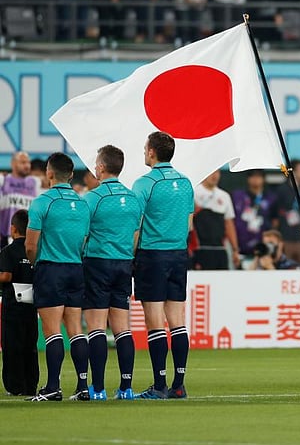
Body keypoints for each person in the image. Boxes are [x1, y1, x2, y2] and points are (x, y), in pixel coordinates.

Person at [132, 132, 194, 400]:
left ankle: (159, 385)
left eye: (145, 148)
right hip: (178, 254)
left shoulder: (144, 184)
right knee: (178, 321)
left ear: (152, 152)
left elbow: (135, 226)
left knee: (155, 322)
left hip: (152, 255)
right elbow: (190, 224)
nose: (144, 152)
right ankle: (178, 384)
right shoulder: (186, 182)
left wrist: (130, 255)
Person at [24, 152, 90, 401]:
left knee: (52, 331)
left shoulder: (42, 202)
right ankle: (83, 386)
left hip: (51, 268)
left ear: (49, 173)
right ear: (71, 175)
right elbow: (84, 238)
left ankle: (53, 387)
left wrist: (35, 264)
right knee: (75, 329)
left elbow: (30, 246)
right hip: (75, 268)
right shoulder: (82, 203)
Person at [82, 145, 142, 401]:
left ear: (103, 167)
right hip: (123, 263)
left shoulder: (92, 198)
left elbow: (82, 235)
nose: (94, 167)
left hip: (97, 262)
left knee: (96, 326)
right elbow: (135, 236)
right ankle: (126, 388)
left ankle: (97, 389)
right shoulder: (132, 199)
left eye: (96, 163)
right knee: (122, 328)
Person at [0, 209, 38, 397]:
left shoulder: (8, 251)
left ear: (13, 228)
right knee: (30, 345)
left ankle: (15, 386)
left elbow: (6, 276)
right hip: (32, 306)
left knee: (12, 346)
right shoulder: (35, 249)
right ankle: (31, 384)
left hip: (12, 306)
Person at [191, 170, 240, 270]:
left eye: (217, 172)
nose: (215, 175)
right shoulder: (194, 192)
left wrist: (235, 249)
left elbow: (229, 224)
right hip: (200, 249)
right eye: (212, 172)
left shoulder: (224, 196)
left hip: (220, 249)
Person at [272, 159, 300, 267]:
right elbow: (276, 214)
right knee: (286, 267)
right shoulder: (281, 190)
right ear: (294, 172)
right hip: (285, 237)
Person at [231, 169, 276, 259]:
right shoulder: (237, 196)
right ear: (248, 178)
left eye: (258, 176)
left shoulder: (271, 198)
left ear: (263, 179)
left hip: (263, 247)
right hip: (241, 245)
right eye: (252, 176)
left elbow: (275, 221)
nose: (255, 179)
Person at [0, 151, 42, 248]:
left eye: (28, 162)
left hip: (29, 238)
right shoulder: (4, 180)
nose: (27, 166)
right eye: (23, 162)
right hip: (6, 237)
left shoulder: (35, 182)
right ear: (13, 164)